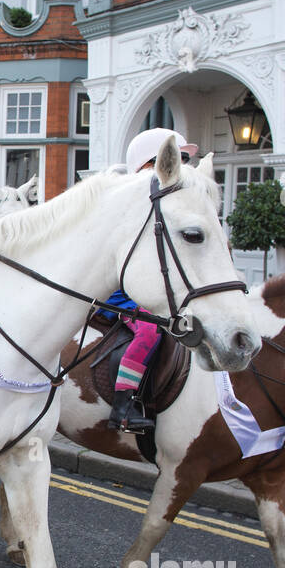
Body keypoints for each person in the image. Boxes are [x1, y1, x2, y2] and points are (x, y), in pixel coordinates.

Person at [101, 128, 199, 433]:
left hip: (149, 293)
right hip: (121, 296)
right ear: (149, 167)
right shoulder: (131, 207)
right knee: (149, 332)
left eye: (184, 160)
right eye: (177, 159)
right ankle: (123, 406)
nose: (183, 167)